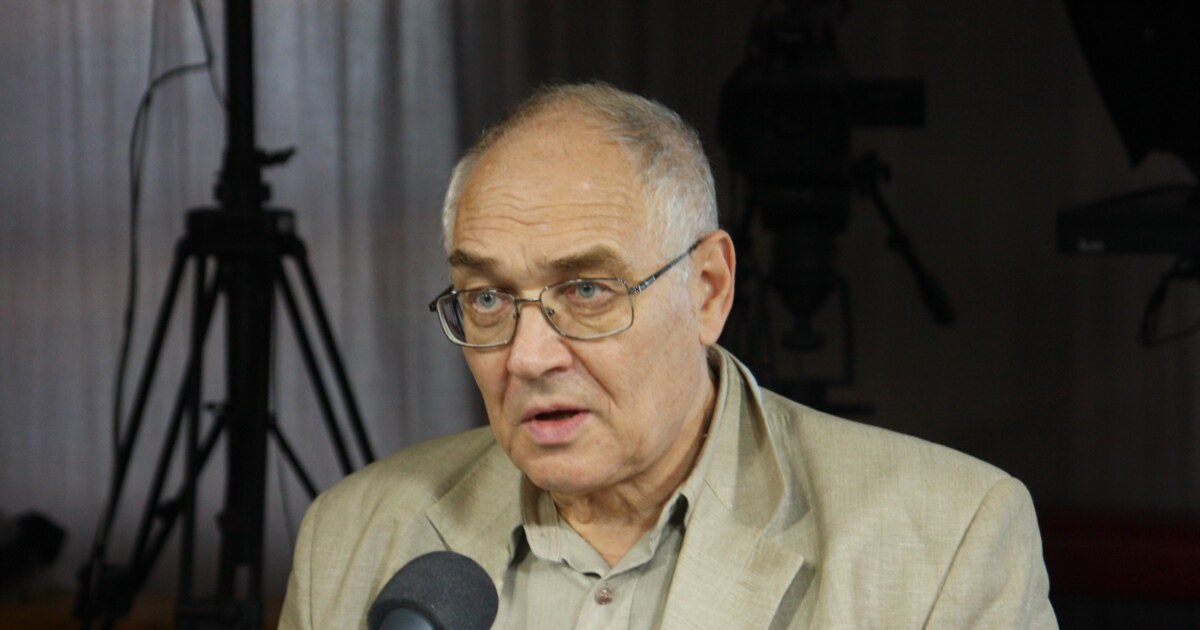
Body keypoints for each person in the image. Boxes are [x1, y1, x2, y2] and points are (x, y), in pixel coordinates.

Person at [280, 82, 1056, 628]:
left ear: (708, 290)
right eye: (487, 299)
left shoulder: (947, 540)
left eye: (586, 290)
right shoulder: (352, 536)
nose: (527, 357)